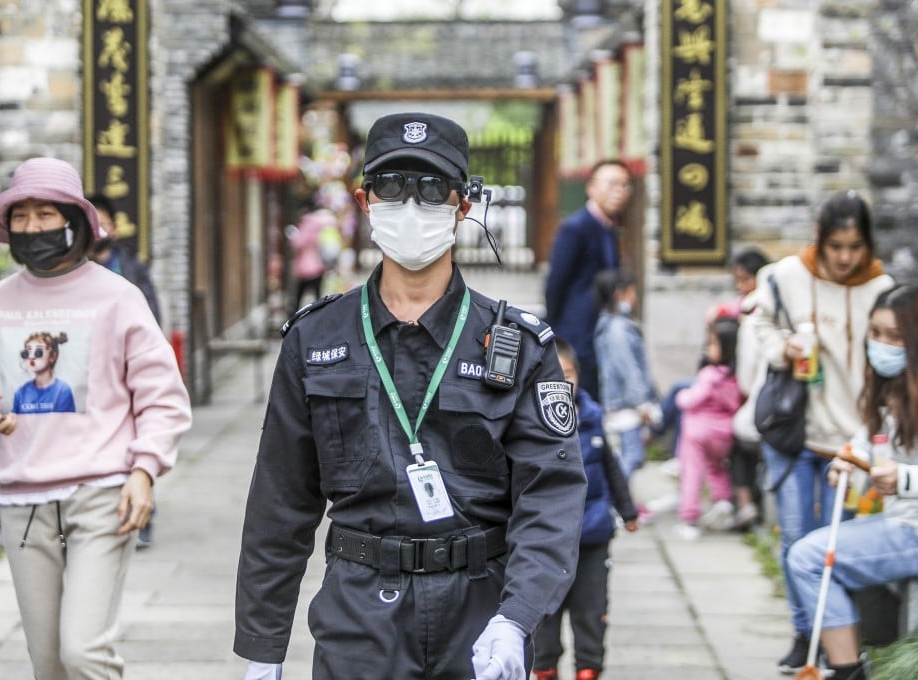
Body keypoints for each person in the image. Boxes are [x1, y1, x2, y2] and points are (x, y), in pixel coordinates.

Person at [234, 113, 588, 680]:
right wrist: (262, 645)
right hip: (359, 610)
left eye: (431, 189)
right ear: (365, 200)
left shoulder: (518, 345)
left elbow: (552, 495)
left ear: (463, 205)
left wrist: (517, 618)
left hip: (481, 608)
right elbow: (280, 500)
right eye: (393, 187)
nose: (411, 204)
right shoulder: (317, 338)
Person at [0, 157, 192, 679]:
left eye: (45, 214)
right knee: (49, 664)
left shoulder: (118, 297)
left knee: (84, 652)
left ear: (74, 221)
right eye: (21, 215)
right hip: (22, 504)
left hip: (101, 496)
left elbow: (162, 395)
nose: (33, 226)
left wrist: (144, 472)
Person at [753, 190, 894, 674]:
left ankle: (836, 643)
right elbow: (762, 323)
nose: (845, 257)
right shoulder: (786, 276)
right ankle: (803, 633)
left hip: (852, 439)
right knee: (796, 541)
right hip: (796, 432)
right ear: (820, 239)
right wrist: (782, 348)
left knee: (836, 548)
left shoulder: (882, 287)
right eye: (836, 246)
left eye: (855, 247)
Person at [786, 284, 918, 680]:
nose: (881, 345)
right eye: (875, 333)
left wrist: (905, 478)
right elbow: (872, 436)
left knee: (807, 558)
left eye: (895, 337)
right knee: (812, 554)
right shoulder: (897, 382)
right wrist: (849, 459)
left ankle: (846, 672)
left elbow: (913, 469)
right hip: (908, 523)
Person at [532, 339, 639, 680]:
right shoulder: (529, 422)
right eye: (555, 375)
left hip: (591, 537)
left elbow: (611, 468)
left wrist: (628, 510)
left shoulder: (591, 418)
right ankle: (546, 668)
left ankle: (588, 669)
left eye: (569, 373)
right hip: (546, 542)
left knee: (590, 614)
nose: (565, 382)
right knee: (543, 619)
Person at [88, 191, 163, 549]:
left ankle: (143, 512)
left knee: (140, 443)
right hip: (90, 377)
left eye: (102, 221)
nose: (96, 229)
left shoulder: (132, 268)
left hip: (129, 372)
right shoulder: (73, 273)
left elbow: (153, 316)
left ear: (114, 228)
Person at [544, 159, 634, 396]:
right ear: (591, 187)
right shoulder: (575, 228)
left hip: (599, 332)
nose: (620, 191)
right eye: (613, 184)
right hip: (577, 334)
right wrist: (557, 334)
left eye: (625, 185)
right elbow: (555, 285)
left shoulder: (609, 228)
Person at [673, 317, 743, 540]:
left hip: (698, 433)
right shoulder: (735, 379)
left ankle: (689, 519)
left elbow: (691, 400)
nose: (707, 348)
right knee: (717, 468)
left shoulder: (709, 375)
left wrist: (680, 397)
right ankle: (723, 502)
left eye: (712, 344)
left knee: (692, 472)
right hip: (724, 435)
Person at [592, 268, 660, 480]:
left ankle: (623, 506)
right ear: (619, 295)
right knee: (629, 458)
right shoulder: (618, 330)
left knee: (628, 456)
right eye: (632, 292)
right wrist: (642, 404)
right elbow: (628, 369)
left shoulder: (609, 326)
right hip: (626, 407)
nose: (635, 298)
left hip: (622, 405)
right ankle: (619, 506)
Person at [729, 248, 772, 529]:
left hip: (768, 405)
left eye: (744, 280)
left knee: (737, 435)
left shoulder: (753, 317)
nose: (740, 287)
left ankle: (744, 504)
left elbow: (745, 379)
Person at [87, 192, 162, 323]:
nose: (96, 232)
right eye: (91, 226)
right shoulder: (75, 267)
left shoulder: (133, 266)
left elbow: (151, 310)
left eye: (102, 225)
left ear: (114, 229)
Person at [285, 208, 335, 317]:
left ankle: (293, 318)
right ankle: (320, 317)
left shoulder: (303, 234)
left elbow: (297, 246)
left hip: (304, 270)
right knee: (317, 296)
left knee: (298, 298)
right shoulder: (318, 233)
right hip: (317, 268)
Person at [12, 331, 76, 414]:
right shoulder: (21, 392)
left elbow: (65, 424)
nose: (31, 356)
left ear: (52, 356)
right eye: (28, 351)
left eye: (38, 351)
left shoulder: (62, 391)